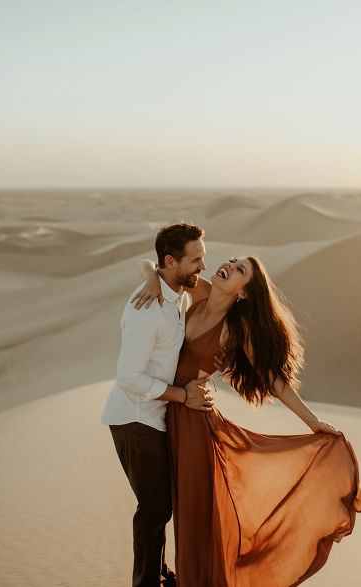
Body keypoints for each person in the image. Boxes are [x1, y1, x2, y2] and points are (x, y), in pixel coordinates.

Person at [132, 253, 361, 586]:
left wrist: (313, 422)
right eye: (234, 260)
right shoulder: (199, 291)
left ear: (243, 293)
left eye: (240, 269)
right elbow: (146, 264)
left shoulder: (235, 328)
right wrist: (153, 279)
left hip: (195, 425)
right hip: (166, 411)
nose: (229, 264)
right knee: (161, 509)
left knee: (194, 521)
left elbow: (274, 380)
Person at [101, 223, 216, 587]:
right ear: (171, 261)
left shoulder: (177, 293)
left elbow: (146, 263)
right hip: (135, 418)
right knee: (155, 508)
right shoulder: (146, 310)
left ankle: (159, 574)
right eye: (195, 259)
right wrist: (183, 396)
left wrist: (152, 274)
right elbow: (128, 378)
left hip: (156, 417)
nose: (203, 266)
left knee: (161, 505)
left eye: (203, 257)